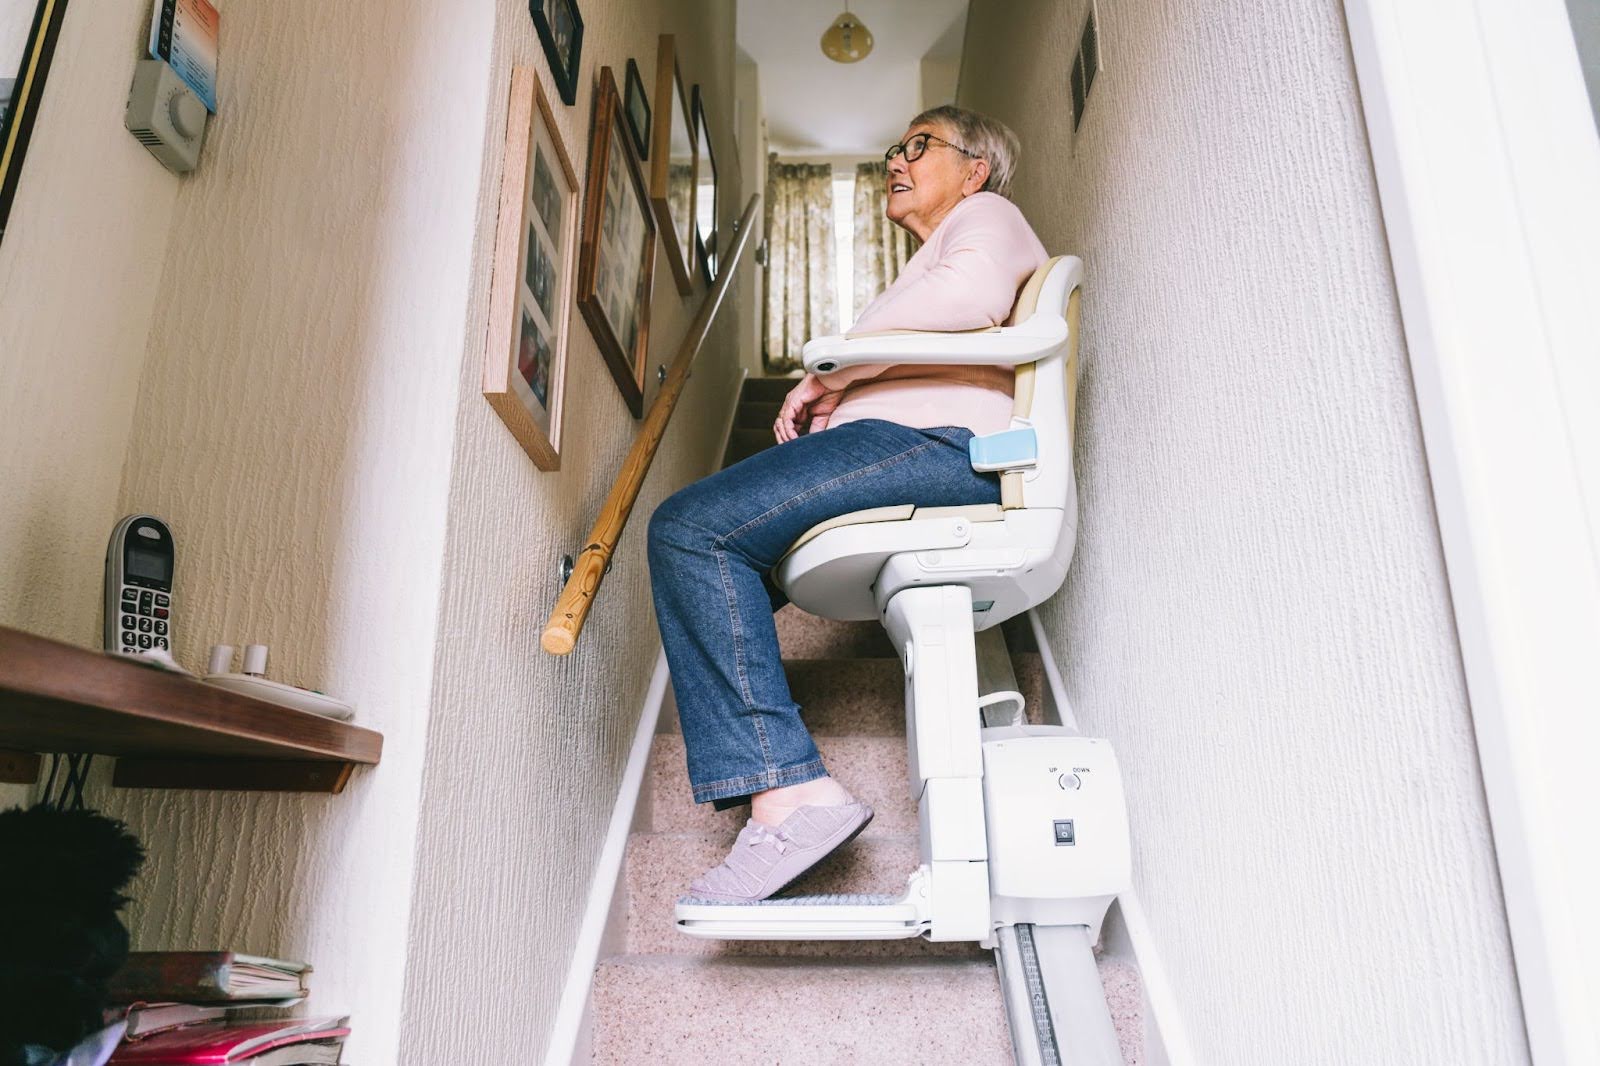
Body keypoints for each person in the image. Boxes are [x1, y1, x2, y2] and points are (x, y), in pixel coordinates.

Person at [648, 105, 1048, 903]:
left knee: (691, 529)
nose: (896, 160)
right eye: (894, 148)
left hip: (939, 446)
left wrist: (832, 372)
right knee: (716, 557)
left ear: (974, 168)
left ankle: (790, 792)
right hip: (920, 443)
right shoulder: (939, 247)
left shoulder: (987, 216)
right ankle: (776, 784)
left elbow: (967, 297)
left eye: (919, 146)